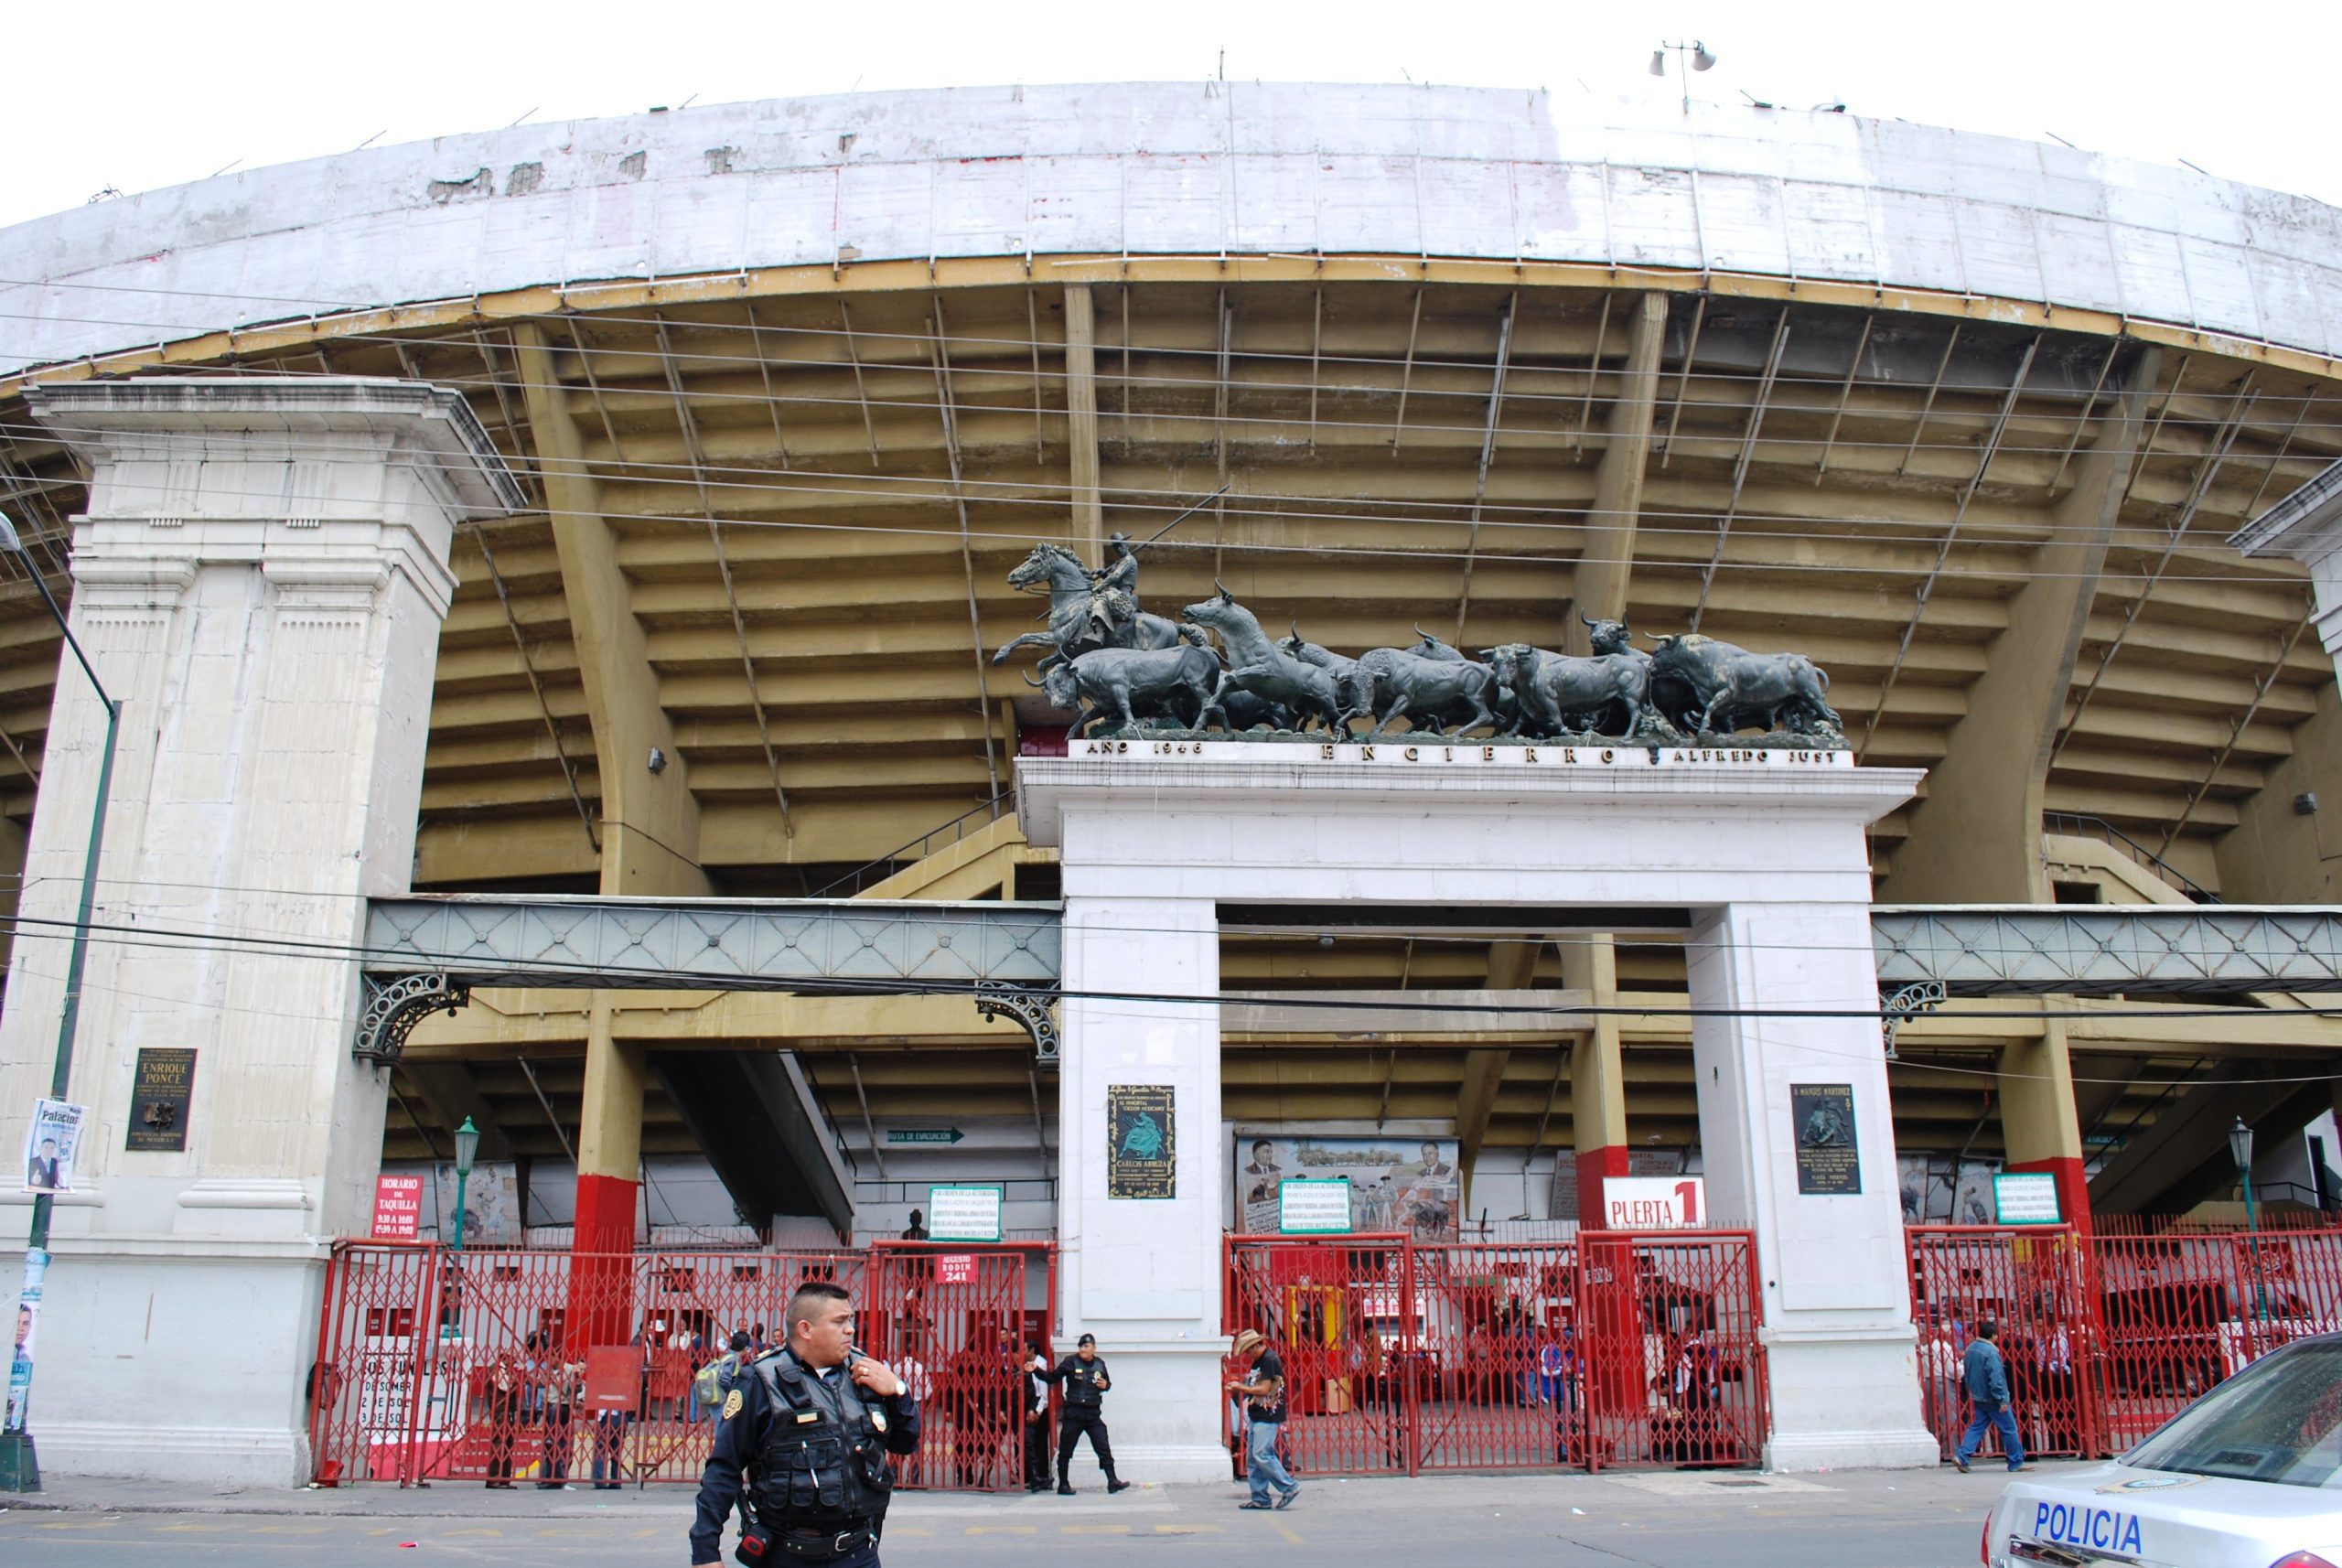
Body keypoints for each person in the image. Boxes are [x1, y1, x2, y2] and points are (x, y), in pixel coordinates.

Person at [688, 1280, 919, 1568]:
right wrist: (705, 1552)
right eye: (839, 1322)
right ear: (806, 1329)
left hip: (859, 1553)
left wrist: (898, 1391)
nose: (850, 1329)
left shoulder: (866, 1373)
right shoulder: (761, 1381)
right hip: (788, 1554)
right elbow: (725, 1468)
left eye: (850, 1320)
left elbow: (906, 1443)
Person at [1034, 1333, 1129, 1495]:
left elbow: (1107, 1384)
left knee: (1103, 1447)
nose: (1082, 1349)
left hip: (1092, 1415)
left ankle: (1112, 1481)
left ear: (1094, 1348)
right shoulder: (1070, 1362)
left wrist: (1106, 1385)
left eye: (1086, 1346)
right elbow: (1052, 1378)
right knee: (1066, 1451)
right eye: (1080, 1346)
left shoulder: (1100, 1364)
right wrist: (1035, 1370)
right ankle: (1063, 1484)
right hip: (1074, 1414)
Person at [1227, 1329, 1300, 1510]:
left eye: (1248, 1351)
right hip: (1257, 1413)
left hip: (1268, 1415)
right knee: (1253, 1458)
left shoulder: (1269, 1360)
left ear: (1255, 1346)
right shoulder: (1258, 1362)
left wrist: (1240, 1388)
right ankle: (1260, 1498)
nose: (1247, 1355)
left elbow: (1264, 1389)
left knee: (1262, 1454)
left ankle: (1289, 1486)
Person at [1952, 1319, 2027, 1475]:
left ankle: (1962, 1455)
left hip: (1977, 1395)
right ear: (1993, 1335)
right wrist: (2001, 1398)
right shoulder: (1991, 1352)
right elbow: (1996, 1377)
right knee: (2009, 1428)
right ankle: (2015, 1461)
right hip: (1992, 1397)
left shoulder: (1971, 1348)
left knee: (1978, 1426)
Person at [1918, 1319, 1962, 1462]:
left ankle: (1936, 1447)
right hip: (1943, 1381)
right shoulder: (1943, 1347)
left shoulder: (1925, 1349)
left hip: (1928, 1382)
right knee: (1948, 1416)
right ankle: (1950, 1449)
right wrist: (1961, 1372)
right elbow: (1953, 1369)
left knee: (1932, 1417)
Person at [1018, 1337, 1053, 1492]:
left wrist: (1037, 1411)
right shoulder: (1028, 1364)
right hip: (1032, 1407)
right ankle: (1033, 1476)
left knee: (1039, 1445)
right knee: (1031, 1444)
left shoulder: (1042, 1365)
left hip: (1039, 1409)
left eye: (1024, 1349)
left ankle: (1042, 1477)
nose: (1022, 1352)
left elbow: (1043, 1392)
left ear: (1032, 1350)